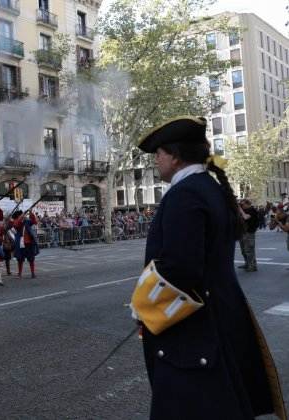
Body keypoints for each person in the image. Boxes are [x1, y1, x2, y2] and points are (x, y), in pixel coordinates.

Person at [135, 116, 283, 419]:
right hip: (218, 314)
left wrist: (144, 309)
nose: (156, 162)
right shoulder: (208, 187)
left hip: (194, 325)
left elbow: (180, 270)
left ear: (174, 156)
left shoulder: (184, 193)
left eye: (159, 154)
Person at [13, 210, 39, 278]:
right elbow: (16, 224)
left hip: (28, 243)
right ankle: (20, 274)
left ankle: (33, 273)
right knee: (20, 259)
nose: (24, 215)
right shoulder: (16, 221)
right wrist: (21, 217)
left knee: (31, 259)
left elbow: (34, 222)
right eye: (22, 215)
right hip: (21, 244)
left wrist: (31, 213)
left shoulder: (27, 221)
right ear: (18, 216)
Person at [238, 199, 259, 272]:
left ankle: (253, 266)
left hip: (249, 233)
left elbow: (246, 217)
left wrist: (240, 209)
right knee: (243, 250)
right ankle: (247, 263)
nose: (242, 206)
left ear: (247, 204)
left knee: (249, 250)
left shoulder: (252, 210)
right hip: (243, 232)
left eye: (242, 205)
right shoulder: (245, 210)